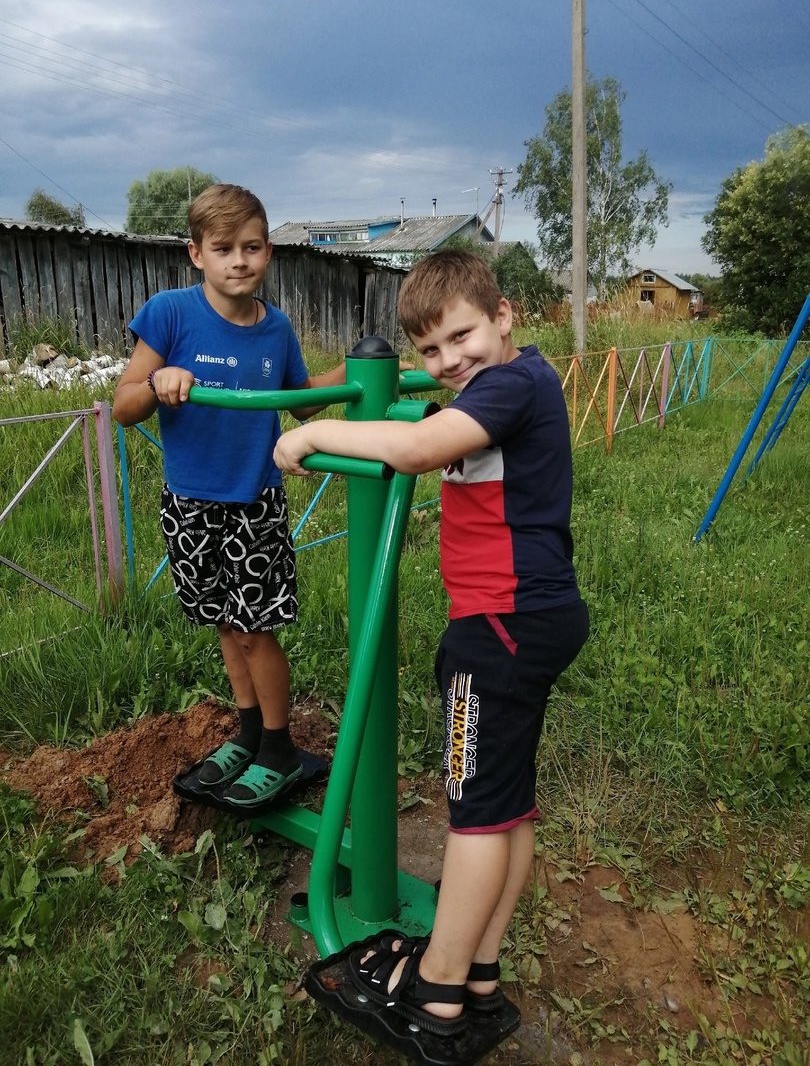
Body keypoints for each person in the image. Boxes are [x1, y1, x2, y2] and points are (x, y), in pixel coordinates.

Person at [274, 250, 589, 1036]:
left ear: (504, 315)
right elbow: (424, 430)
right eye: (430, 351)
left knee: (476, 811)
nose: (449, 361)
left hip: (499, 627)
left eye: (461, 337)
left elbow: (415, 449)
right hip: (530, 620)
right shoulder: (512, 385)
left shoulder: (511, 385)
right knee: (509, 808)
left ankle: (438, 986)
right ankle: (477, 967)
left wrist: (311, 439)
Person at [112, 183, 348, 809]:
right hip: (189, 502)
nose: (239, 260)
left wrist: (352, 372)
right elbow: (123, 405)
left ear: (269, 252)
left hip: (253, 500)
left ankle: (279, 747)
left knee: (255, 631)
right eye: (224, 248)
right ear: (197, 254)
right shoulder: (170, 313)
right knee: (224, 623)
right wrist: (159, 379)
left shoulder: (276, 330)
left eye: (252, 247)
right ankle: (248, 735)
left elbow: (301, 401)